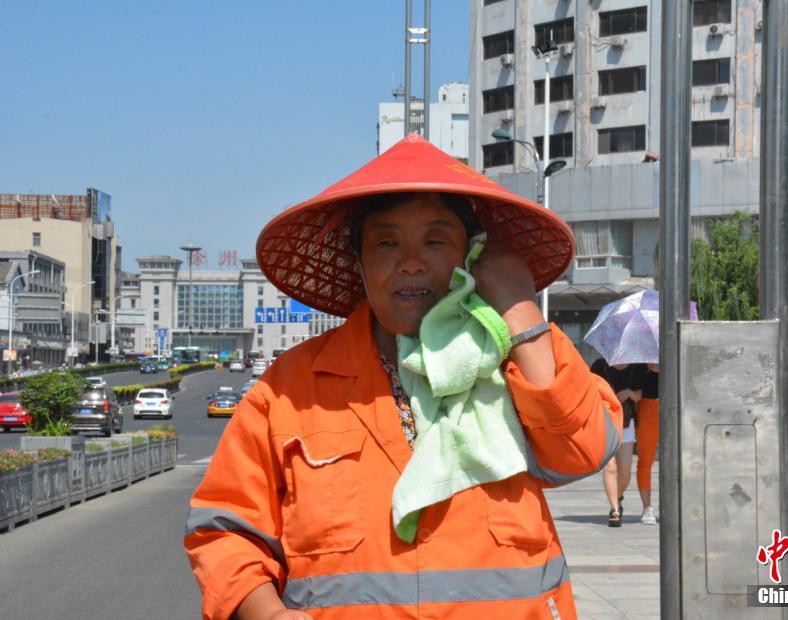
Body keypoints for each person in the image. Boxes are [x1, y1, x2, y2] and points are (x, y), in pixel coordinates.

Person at [183, 134, 622, 619]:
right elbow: (224, 528)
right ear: (361, 263)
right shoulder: (289, 388)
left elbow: (583, 451)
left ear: (470, 256)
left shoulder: (514, 357)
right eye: (387, 242)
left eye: (435, 240)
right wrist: (266, 612)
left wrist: (519, 311)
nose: (411, 262)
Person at [589, 358, 639, 527]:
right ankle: (614, 509)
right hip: (605, 423)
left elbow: (639, 395)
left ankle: (617, 497)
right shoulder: (599, 365)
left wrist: (630, 393)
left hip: (626, 423)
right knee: (610, 467)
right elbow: (589, 389)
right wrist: (605, 393)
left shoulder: (635, 367)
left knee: (625, 472)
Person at [632, 363, 660, 524]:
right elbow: (637, 392)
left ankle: (679, 504)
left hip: (676, 407)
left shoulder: (675, 360)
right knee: (645, 460)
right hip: (648, 409)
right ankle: (647, 507)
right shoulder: (640, 366)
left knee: (679, 460)